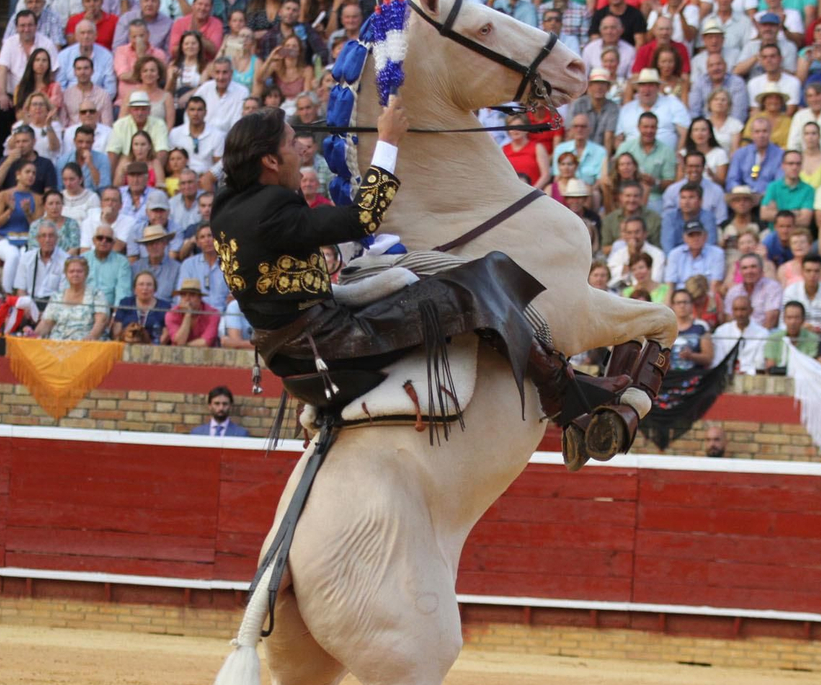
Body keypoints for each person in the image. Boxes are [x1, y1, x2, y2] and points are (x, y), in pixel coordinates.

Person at [208, 102, 650, 469]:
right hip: (327, 340)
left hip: (294, 340)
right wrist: (389, 140)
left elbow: (291, 250)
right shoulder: (270, 206)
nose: (299, 152)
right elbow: (361, 217)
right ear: (269, 161)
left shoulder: (229, 207)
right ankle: (561, 394)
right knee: (469, 288)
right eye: (290, 145)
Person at [712, 291, 770, 376]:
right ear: (732, 311)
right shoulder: (721, 331)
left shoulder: (762, 333)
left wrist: (747, 372)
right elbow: (718, 360)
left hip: (752, 378)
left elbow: (759, 363)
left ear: (751, 310)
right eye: (736, 310)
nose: (739, 314)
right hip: (724, 377)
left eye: (743, 309)